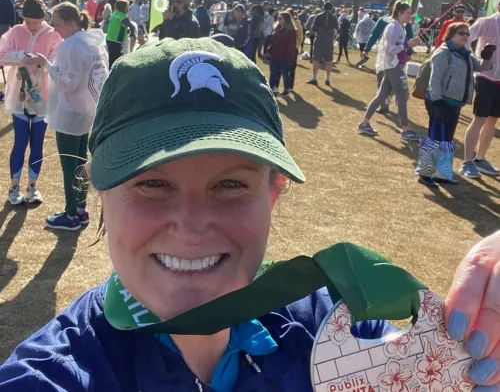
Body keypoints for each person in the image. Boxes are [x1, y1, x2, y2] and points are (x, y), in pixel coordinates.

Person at [2, 38, 500, 391]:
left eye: (230, 185)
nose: (192, 224)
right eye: (152, 183)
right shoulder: (58, 372)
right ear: (98, 190)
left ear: (274, 194)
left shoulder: (341, 331)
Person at [24, 2, 109, 230]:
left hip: (70, 112)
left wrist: (46, 64)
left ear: (70, 21)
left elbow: (67, 83)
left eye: (57, 23)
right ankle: (80, 209)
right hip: (86, 109)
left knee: (69, 164)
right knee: (80, 161)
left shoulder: (70, 46)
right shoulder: (93, 41)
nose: (55, 28)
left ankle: (71, 213)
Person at [0, 0, 63, 205]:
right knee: (20, 141)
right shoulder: (16, 31)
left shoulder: (53, 34)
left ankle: (33, 186)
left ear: (43, 19)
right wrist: (20, 57)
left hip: (42, 94)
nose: (32, 26)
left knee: (37, 142)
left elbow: (58, 59)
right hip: (19, 94)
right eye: (28, 22)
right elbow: (2, 54)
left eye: (36, 22)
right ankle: (14, 186)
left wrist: (42, 61)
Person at [417, 23, 493, 187]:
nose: (466, 36)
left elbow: (481, 67)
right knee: (436, 137)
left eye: (467, 33)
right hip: (440, 101)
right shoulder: (443, 53)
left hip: (454, 102)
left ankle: (442, 174)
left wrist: (487, 57)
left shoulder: (465, 53)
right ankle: (425, 173)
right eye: (461, 33)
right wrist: (437, 101)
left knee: (447, 139)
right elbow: (435, 79)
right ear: (450, 34)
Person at [357, 1, 421, 141]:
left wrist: (408, 47)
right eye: (408, 13)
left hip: (393, 65)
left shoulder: (399, 27)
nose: (411, 16)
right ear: (400, 12)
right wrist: (407, 44)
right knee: (402, 96)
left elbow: (396, 47)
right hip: (393, 66)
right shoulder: (393, 27)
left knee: (381, 96)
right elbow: (390, 49)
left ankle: (364, 123)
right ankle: (405, 130)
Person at [460, 3, 500, 179]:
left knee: (493, 120)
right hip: (485, 77)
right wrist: (474, 60)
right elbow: (466, 37)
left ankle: (480, 159)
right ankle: (467, 162)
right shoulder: (487, 22)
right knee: (480, 119)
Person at [307, 2, 339, 86]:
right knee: (329, 61)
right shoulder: (334, 18)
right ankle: (327, 79)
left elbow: (313, 29)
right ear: (331, 9)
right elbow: (337, 30)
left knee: (316, 60)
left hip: (319, 40)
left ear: (323, 8)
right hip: (329, 41)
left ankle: (314, 78)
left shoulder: (318, 16)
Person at [268, 12, 297, 97]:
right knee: (273, 72)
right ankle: (272, 87)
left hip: (284, 56)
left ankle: (286, 90)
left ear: (286, 20)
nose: (278, 20)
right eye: (278, 18)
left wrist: (288, 58)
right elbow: (272, 40)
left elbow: (291, 46)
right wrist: (269, 50)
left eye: (280, 18)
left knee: (285, 74)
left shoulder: (292, 31)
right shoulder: (277, 28)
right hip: (274, 55)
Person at [106, 0, 135, 68]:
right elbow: (130, 25)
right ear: (124, 7)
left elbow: (116, 25)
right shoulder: (123, 16)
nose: (128, 9)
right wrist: (132, 32)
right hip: (117, 40)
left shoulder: (114, 14)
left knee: (111, 57)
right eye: (127, 7)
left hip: (109, 38)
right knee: (115, 59)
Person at [287, 8, 303, 90]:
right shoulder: (283, 24)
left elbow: (300, 38)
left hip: (293, 49)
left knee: (292, 68)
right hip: (284, 49)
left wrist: (292, 43)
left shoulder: (298, 25)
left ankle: (290, 86)